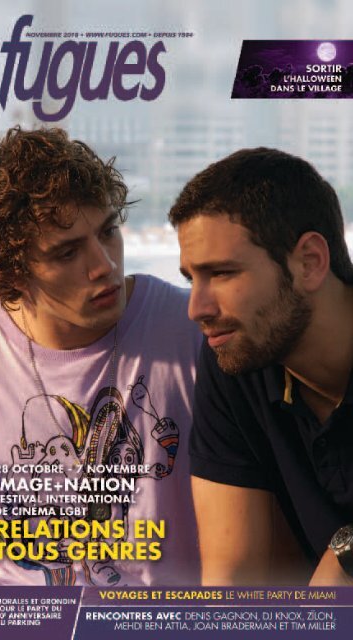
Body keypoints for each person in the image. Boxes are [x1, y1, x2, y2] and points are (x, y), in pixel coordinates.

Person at [0, 126, 201, 588]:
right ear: (11, 274)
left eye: (108, 232)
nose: (103, 264)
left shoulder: (189, 333)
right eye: (67, 252)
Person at [169, 147, 353, 586]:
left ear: (309, 262)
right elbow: (231, 581)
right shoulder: (236, 357)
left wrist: (344, 555)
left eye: (223, 273)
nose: (197, 308)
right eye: (191, 279)